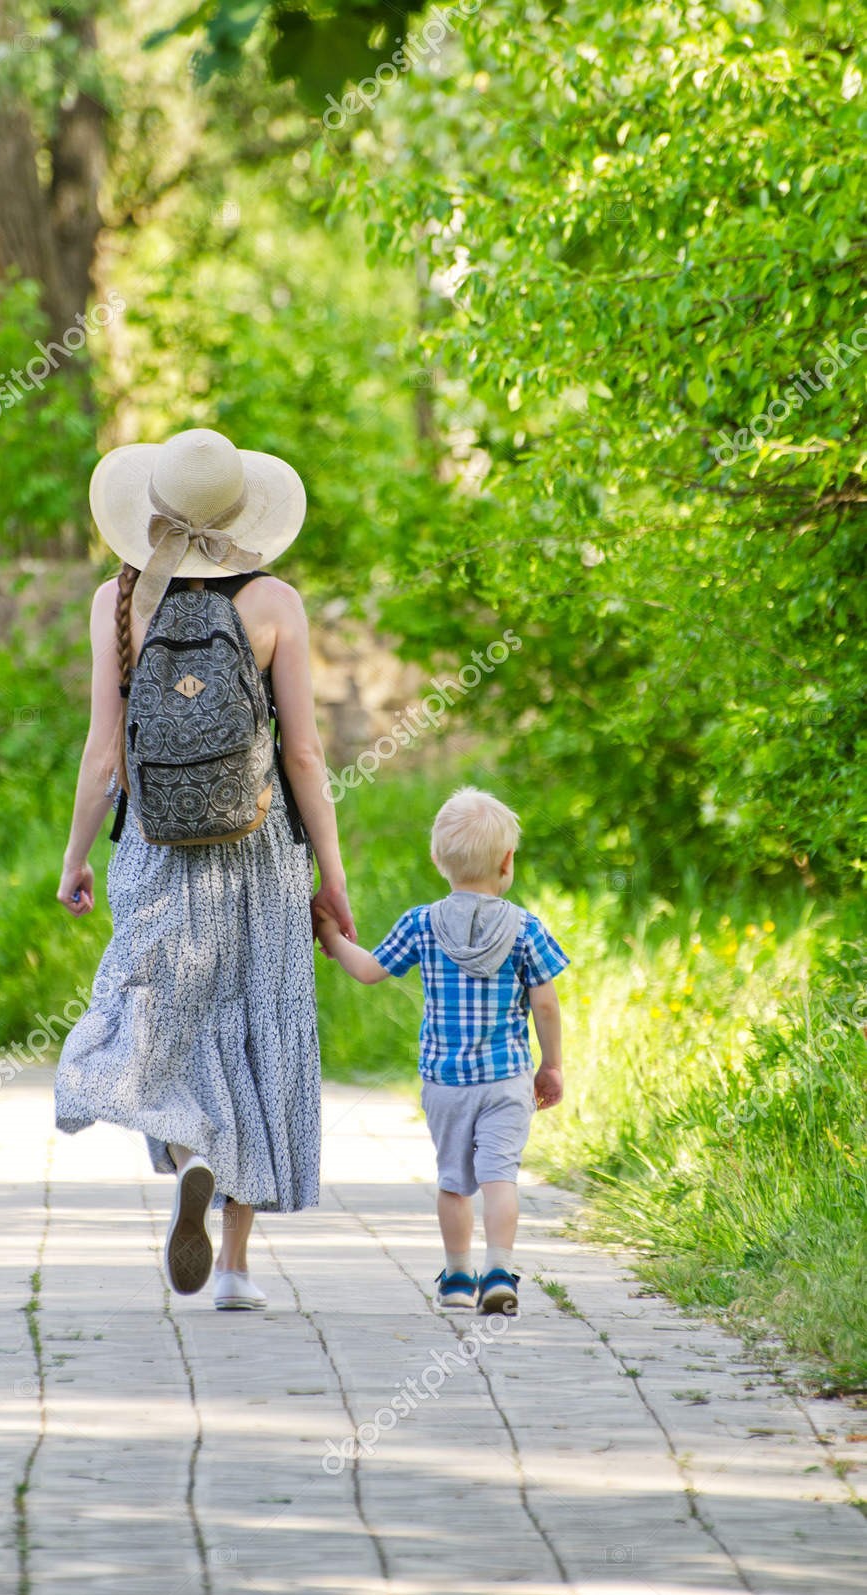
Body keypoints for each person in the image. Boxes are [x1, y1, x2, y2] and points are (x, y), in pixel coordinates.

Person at [53, 428, 355, 1311]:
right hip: (257, 848)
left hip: (154, 840)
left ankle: (190, 1152)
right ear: (242, 510)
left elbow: (103, 754)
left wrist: (75, 858)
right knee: (257, 1027)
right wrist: (329, 872)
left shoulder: (119, 602)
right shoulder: (276, 604)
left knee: (153, 1017)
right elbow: (302, 754)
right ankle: (233, 1267)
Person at [315, 786, 568, 1318]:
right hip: (506, 1081)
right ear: (507, 861)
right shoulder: (526, 928)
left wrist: (335, 939)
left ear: (437, 859)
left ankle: (456, 1278)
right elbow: (545, 1005)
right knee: (500, 1177)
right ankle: (499, 1270)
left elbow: (368, 971)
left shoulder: (420, 923)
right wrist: (552, 1065)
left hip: (445, 1083)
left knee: (454, 1183)